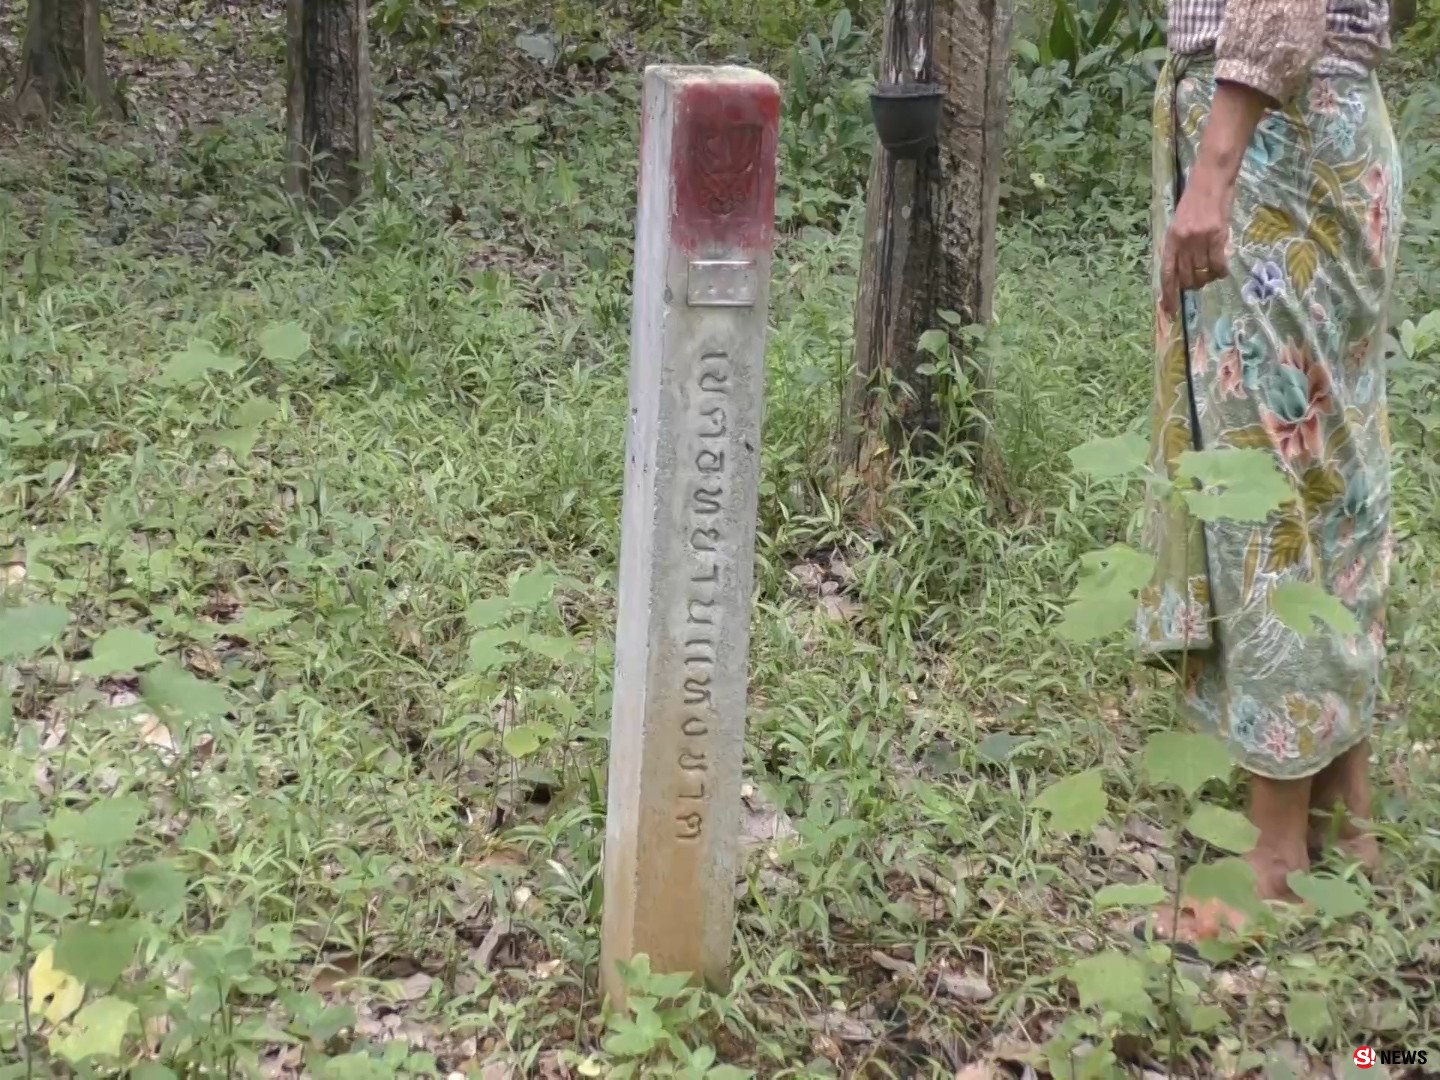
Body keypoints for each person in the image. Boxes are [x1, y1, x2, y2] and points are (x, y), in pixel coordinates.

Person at [1135, 0, 1402, 942]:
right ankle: (1344, 810)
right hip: (1320, 130)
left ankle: (1276, 856)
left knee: (1267, 487)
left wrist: (1214, 169)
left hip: (1270, 147)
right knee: (1331, 477)